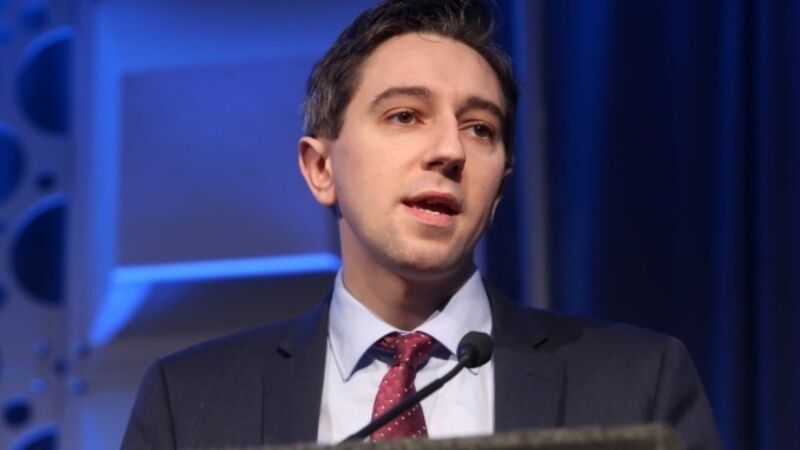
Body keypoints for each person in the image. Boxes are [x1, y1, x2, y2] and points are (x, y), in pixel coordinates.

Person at [121, 1, 722, 449]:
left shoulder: (639, 383)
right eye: (405, 116)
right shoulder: (190, 402)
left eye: (480, 128)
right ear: (322, 168)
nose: (450, 151)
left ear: (499, 188)